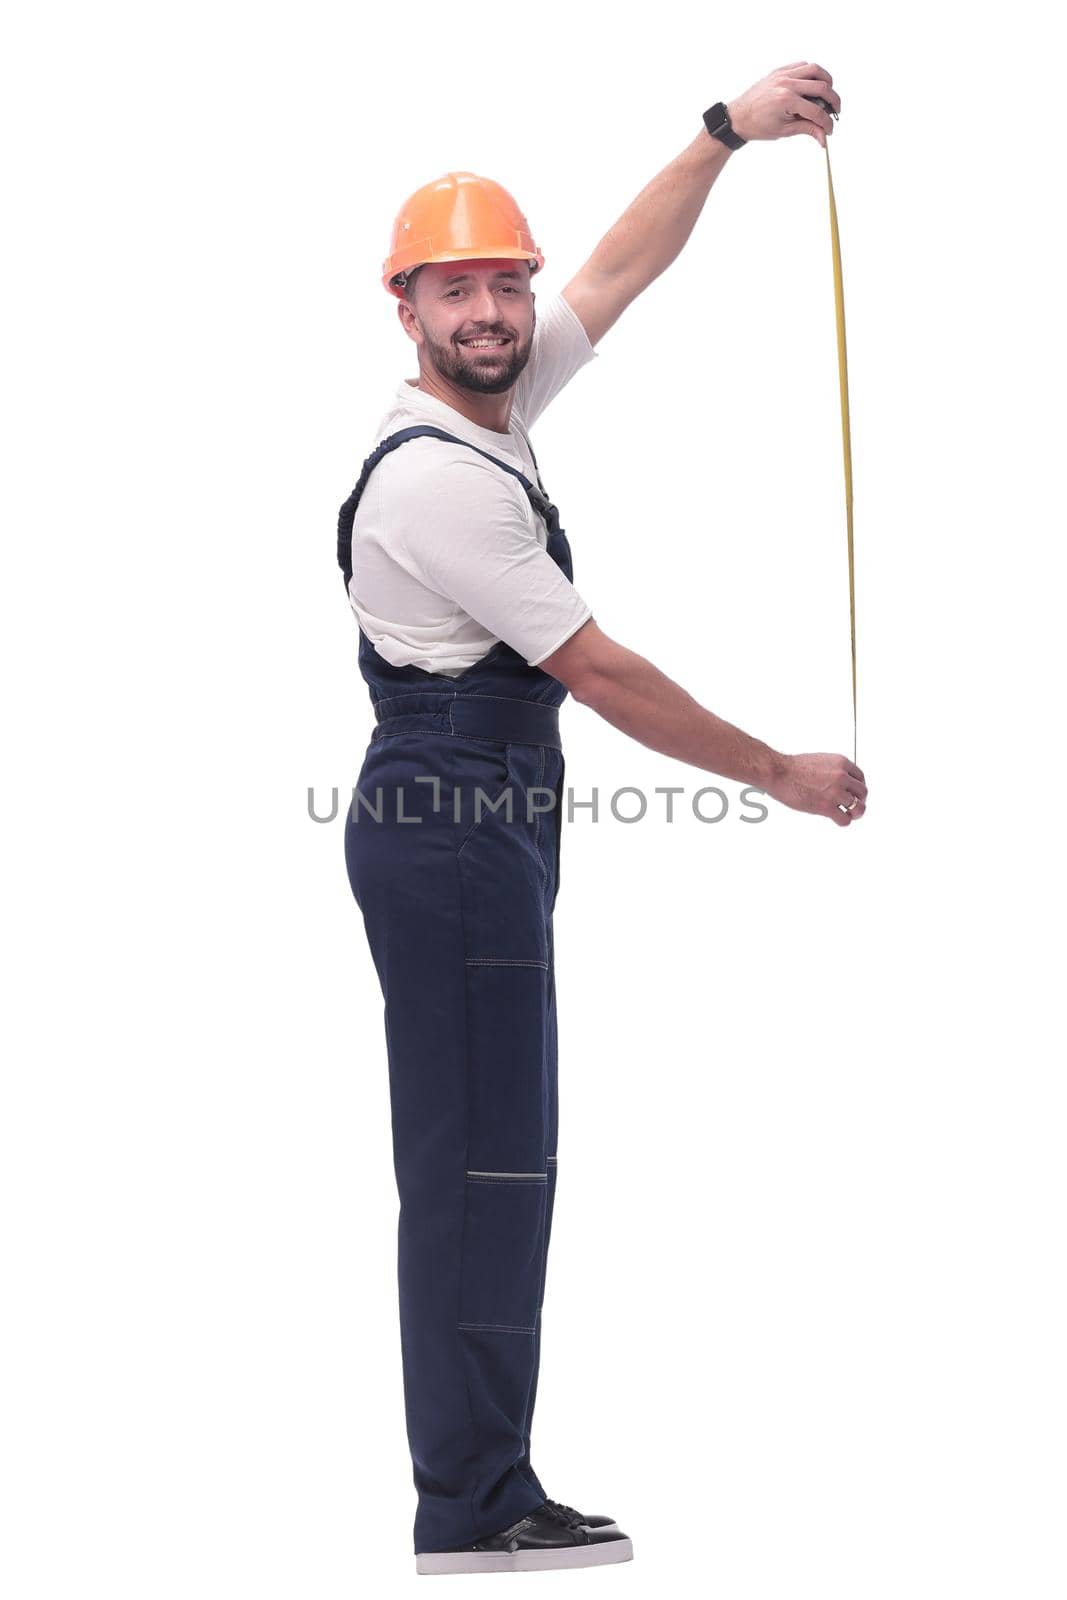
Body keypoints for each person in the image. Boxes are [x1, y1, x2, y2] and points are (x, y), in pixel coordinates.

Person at [337, 61, 865, 1577]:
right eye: (460, 291)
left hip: (480, 815)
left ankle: (483, 1485)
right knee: (480, 1160)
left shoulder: (488, 410)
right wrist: (785, 774)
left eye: (506, 282)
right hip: (449, 815)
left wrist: (724, 135)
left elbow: (621, 269)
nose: (497, 311)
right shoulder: (444, 482)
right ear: (408, 309)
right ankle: (472, 1504)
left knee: (497, 1151)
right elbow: (605, 673)